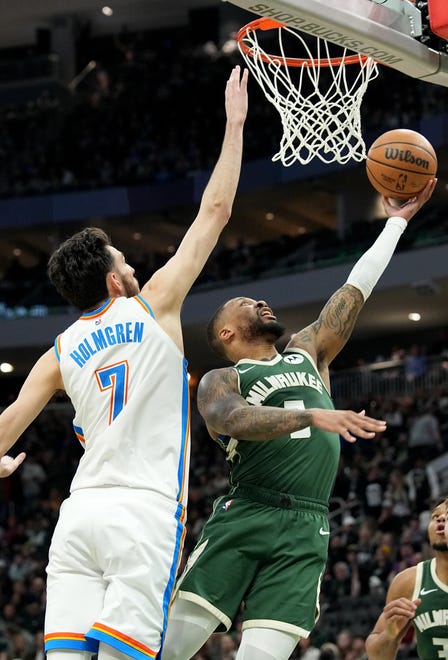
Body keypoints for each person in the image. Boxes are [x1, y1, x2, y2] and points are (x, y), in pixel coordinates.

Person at [0, 65, 249, 660]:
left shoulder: (56, 354)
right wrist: (235, 125)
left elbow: (8, 420)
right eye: (124, 257)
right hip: (142, 510)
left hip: (79, 515)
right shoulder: (152, 304)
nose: (133, 262)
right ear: (115, 279)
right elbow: (214, 211)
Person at [162, 179, 437, 660]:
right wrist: (313, 414)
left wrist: (396, 223)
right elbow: (234, 419)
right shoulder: (221, 379)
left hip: (308, 523)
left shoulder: (308, 352)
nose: (262, 303)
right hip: (247, 511)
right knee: (170, 649)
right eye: (248, 303)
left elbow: (355, 289)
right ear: (227, 332)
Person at [365, 497, 448, 659]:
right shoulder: (409, 581)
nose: (440, 517)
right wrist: (390, 635)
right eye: (435, 516)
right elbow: (376, 656)